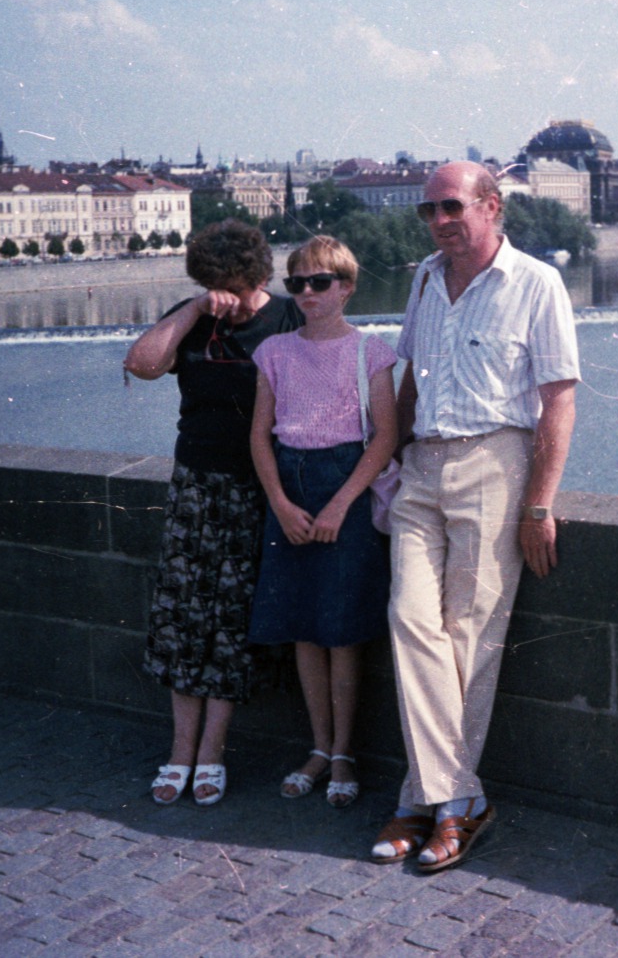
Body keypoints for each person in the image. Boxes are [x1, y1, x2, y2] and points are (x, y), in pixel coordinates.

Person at [371, 161, 580, 872]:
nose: (437, 221)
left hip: (496, 463)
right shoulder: (424, 278)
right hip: (422, 466)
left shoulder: (536, 283)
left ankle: (426, 804)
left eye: (450, 207)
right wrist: (390, 462)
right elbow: (405, 382)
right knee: (408, 618)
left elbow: (557, 401)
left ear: (491, 207)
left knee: (470, 638)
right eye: (428, 210)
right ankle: (459, 798)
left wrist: (539, 502)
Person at [124, 220, 304, 807]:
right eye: (213, 283)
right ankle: (178, 752)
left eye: (233, 284)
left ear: (257, 277)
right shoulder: (196, 312)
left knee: (229, 628)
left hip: (258, 489)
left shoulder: (286, 319)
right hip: (195, 486)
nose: (227, 294)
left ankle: (211, 755)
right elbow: (143, 365)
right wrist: (194, 309)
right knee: (181, 622)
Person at [247, 236, 398, 809]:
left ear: (347, 287)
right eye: (298, 284)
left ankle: (342, 751)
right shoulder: (276, 351)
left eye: (320, 283)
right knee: (305, 626)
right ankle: (317, 745)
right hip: (291, 485)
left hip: (346, 486)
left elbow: (384, 435)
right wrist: (282, 504)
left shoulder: (370, 351)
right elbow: (259, 435)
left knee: (341, 627)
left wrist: (339, 505)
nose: (308, 293)